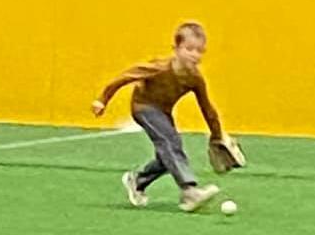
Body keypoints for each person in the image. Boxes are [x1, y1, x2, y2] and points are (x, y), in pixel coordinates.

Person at [92, 22, 225, 212]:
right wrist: (102, 100)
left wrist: (217, 134)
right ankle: (189, 191)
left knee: (169, 152)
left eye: (199, 51)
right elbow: (125, 77)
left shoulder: (195, 78)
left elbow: (207, 108)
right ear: (176, 49)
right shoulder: (160, 67)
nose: (195, 55)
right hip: (143, 107)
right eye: (189, 49)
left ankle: (137, 181)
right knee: (168, 141)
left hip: (163, 112)